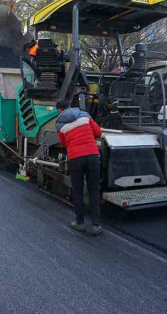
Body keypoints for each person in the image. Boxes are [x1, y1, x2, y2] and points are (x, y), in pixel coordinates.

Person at [55, 100, 104, 236]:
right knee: (94, 189)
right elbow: (98, 133)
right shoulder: (84, 115)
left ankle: (80, 222)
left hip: (76, 158)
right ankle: (96, 225)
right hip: (93, 156)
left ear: (59, 110)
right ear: (69, 107)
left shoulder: (59, 124)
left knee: (78, 191)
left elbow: (63, 143)